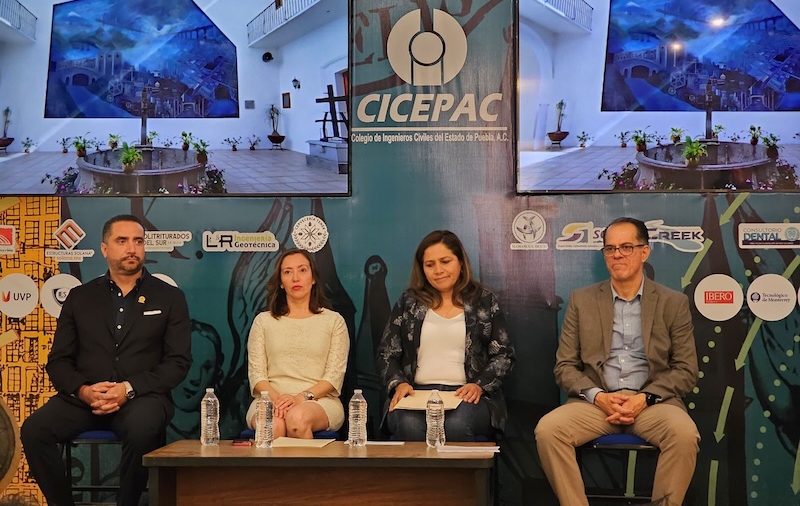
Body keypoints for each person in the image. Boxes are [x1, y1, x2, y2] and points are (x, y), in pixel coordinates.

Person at [21, 214, 191, 506]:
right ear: (104, 249)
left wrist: (127, 389)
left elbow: (178, 362)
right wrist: (84, 391)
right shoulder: (79, 297)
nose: (132, 248)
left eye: (138, 241)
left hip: (143, 397)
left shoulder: (170, 297)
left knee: (142, 430)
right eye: (122, 241)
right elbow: (59, 361)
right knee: (34, 430)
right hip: (85, 399)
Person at [535, 217, 699, 506]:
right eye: (610, 249)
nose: (617, 255)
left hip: (652, 404)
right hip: (596, 405)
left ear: (644, 252)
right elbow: (565, 367)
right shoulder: (582, 301)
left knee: (685, 434)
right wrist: (599, 397)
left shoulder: (672, 302)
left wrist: (644, 399)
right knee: (548, 431)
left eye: (626, 247)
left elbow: (686, 370)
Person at [376, 230, 515, 441]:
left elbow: (504, 355)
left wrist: (479, 385)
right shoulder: (409, 302)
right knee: (409, 425)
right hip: (416, 393)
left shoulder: (484, 301)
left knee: (456, 425)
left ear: (460, 263)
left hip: (467, 394)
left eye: (445, 261)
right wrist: (399, 384)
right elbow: (387, 353)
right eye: (430, 265)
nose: (438, 270)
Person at [246, 248, 349, 437]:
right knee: (272, 425)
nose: (295, 278)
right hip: (270, 399)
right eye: (288, 272)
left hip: (319, 401)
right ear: (281, 282)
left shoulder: (334, 321)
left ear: (313, 278)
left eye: (302, 270)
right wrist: (280, 401)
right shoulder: (263, 321)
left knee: (297, 419)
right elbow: (257, 377)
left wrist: (300, 398)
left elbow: (333, 377)